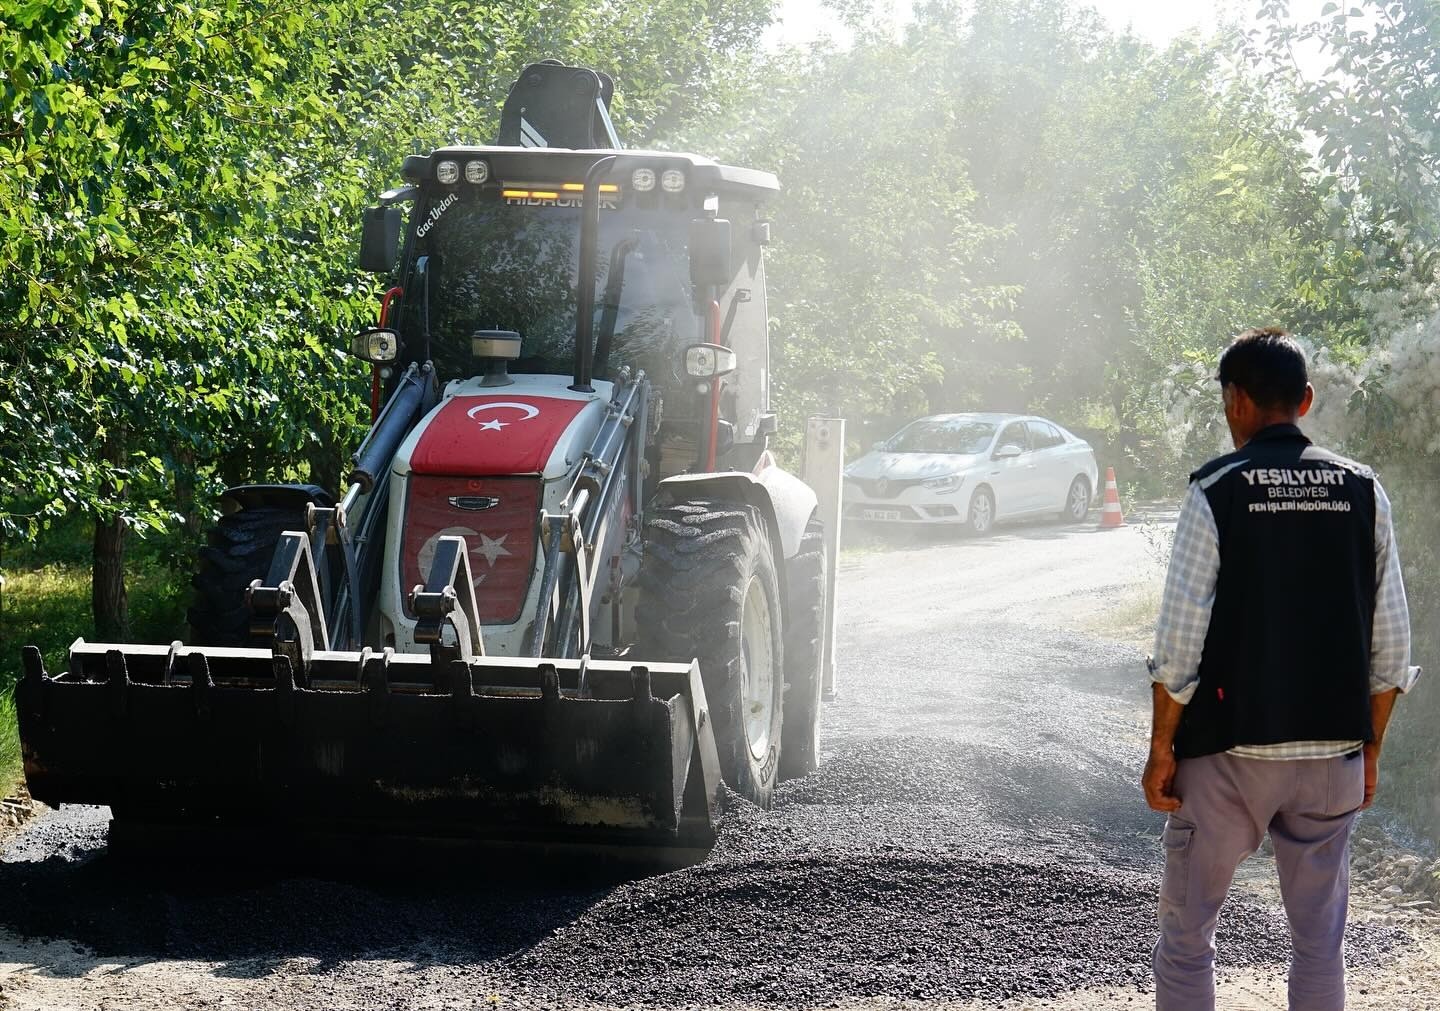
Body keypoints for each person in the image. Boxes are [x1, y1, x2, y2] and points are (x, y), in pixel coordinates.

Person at [1142, 328, 1420, 1011]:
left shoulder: (1216, 490)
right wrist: (1371, 749)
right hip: (1332, 756)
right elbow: (1390, 646)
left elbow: (1180, 645)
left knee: (1187, 939)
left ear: (1235, 401)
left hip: (1227, 755)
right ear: (1305, 399)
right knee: (1320, 944)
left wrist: (1160, 749)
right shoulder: (1363, 490)